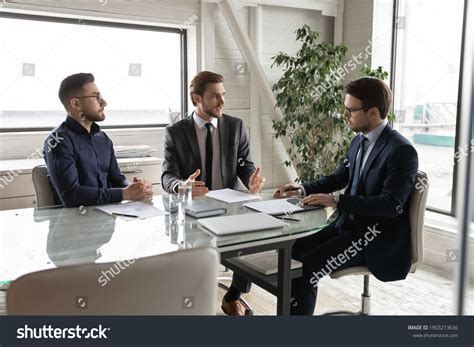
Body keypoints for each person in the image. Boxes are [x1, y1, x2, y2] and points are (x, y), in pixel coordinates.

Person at [225, 76, 419, 315]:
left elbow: (391, 205)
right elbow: (338, 178)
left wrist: (337, 201)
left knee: (307, 267)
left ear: (373, 112)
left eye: (351, 110)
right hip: (347, 227)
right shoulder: (359, 142)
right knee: (294, 250)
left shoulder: (401, 151)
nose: (345, 115)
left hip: (373, 239)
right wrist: (302, 188)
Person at [44, 72, 153, 207]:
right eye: (96, 97)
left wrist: (136, 188)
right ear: (76, 104)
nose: (104, 103)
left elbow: (117, 179)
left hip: (108, 218)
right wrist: (125, 193)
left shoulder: (102, 138)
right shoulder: (57, 141)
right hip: (75, 223)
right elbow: (71, 195)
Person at [161, 70, 265, 196]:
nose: (222, 101)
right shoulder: (176, 132)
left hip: (230, 203)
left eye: (223, 94)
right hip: (194, 204)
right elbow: (168, 175)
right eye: (214, 96)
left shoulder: (235, 126)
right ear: (197, 98)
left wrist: (251, 180)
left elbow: (244, 165)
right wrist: (181, 186)